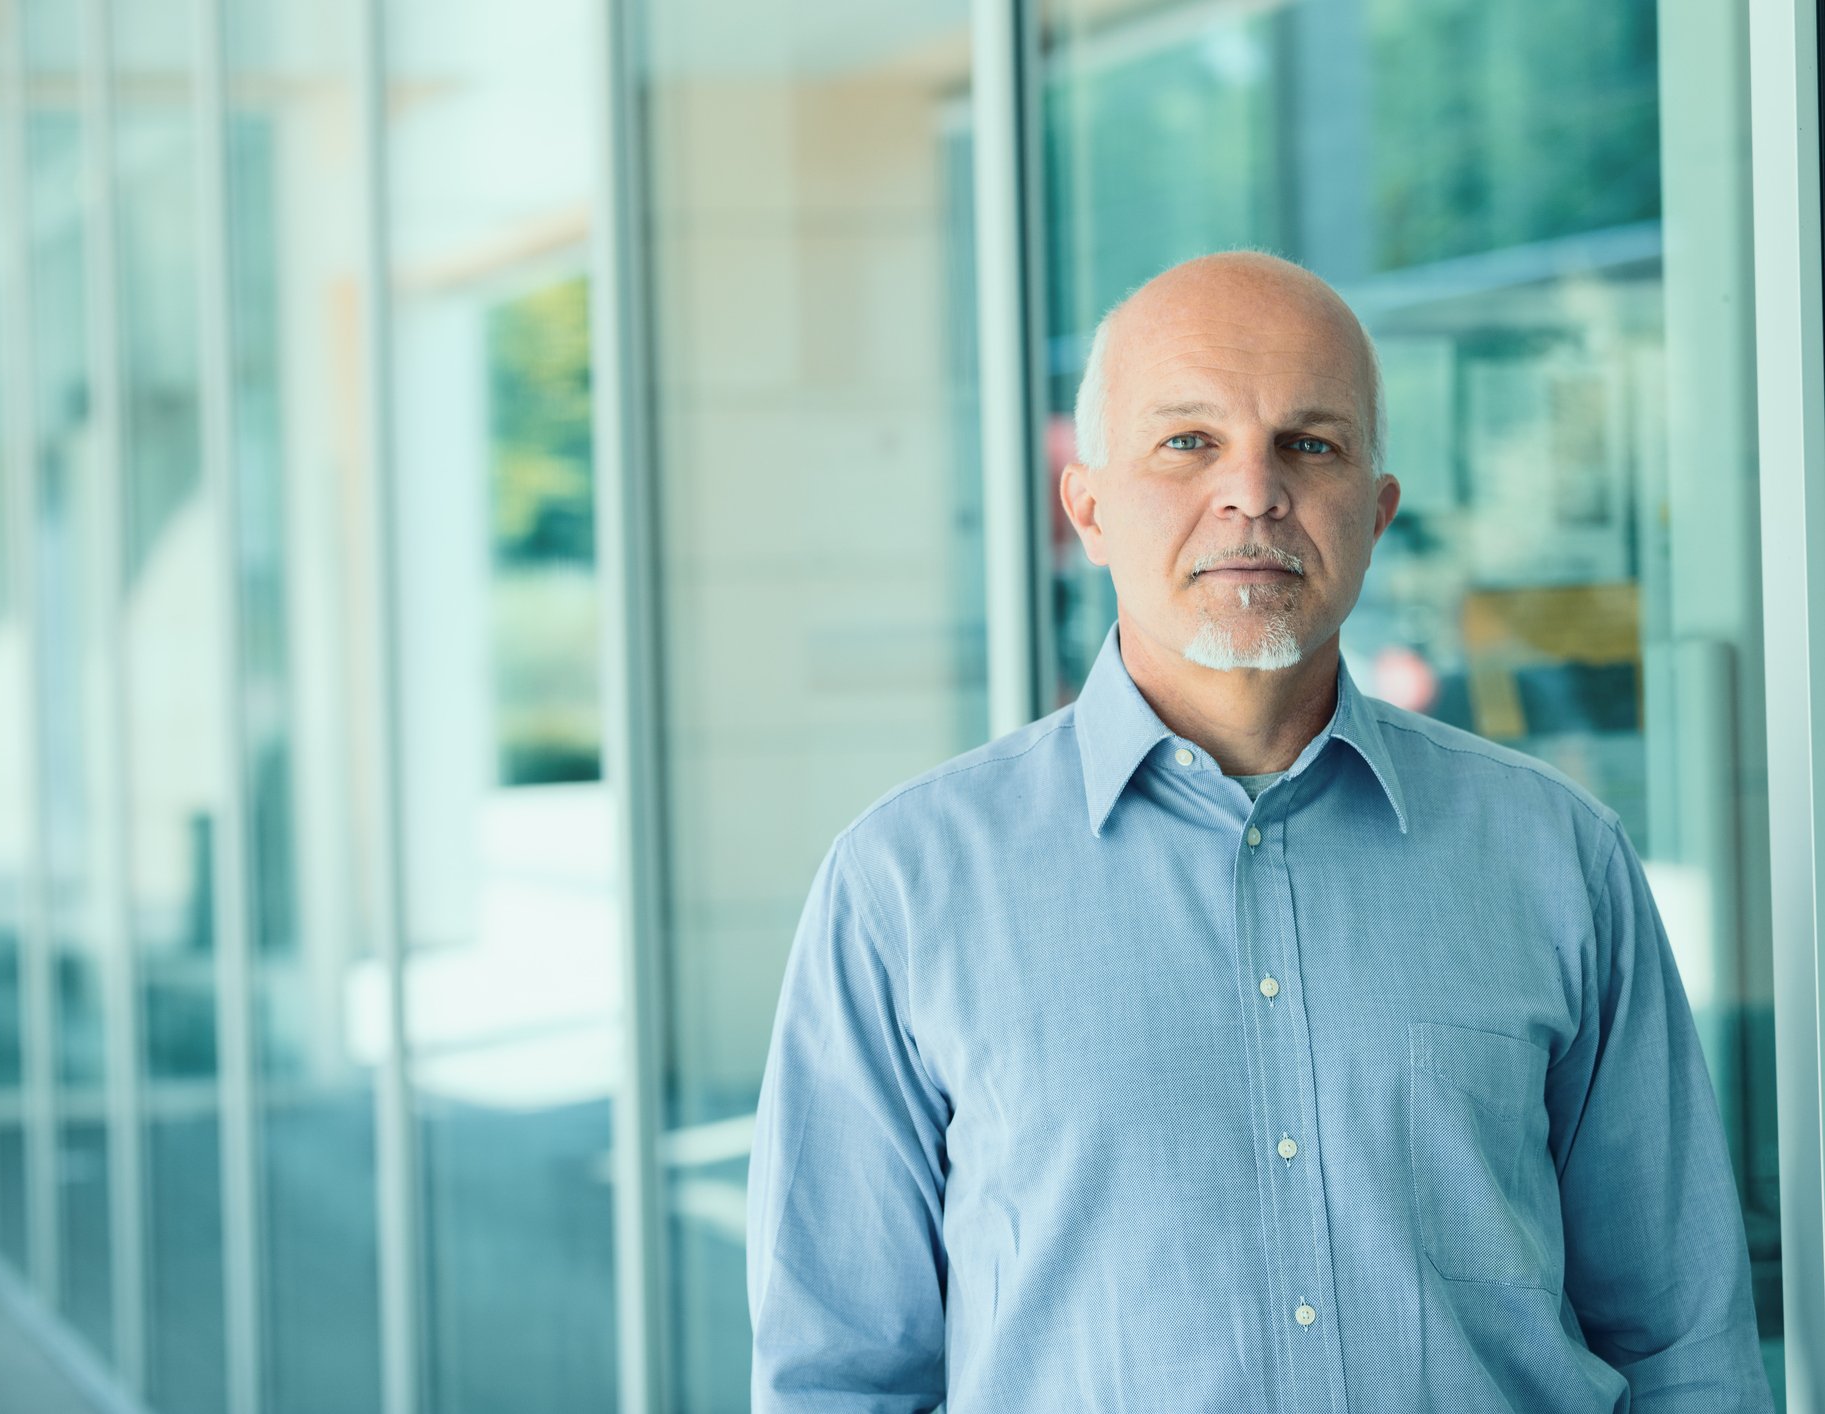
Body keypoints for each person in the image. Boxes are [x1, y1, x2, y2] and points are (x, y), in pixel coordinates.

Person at [744, 250, 1773, 1411]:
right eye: (1188, 442)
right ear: (1087, 507)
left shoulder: (1557, 858)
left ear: (1375, 512)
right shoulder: (904, 887)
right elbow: (840, 1379)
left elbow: (1684, 1344)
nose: (1253, 491)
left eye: (1311, 444)